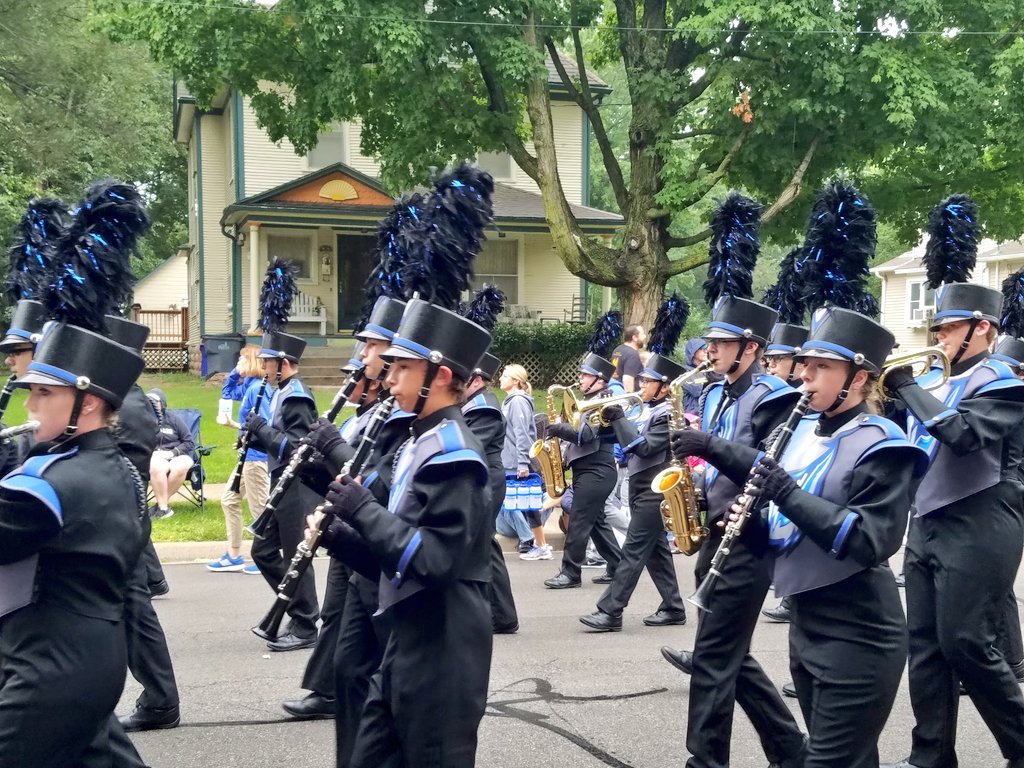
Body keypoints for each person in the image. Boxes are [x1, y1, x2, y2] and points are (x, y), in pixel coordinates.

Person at [729, 307, 927, 767]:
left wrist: (786, 492)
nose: (805, 376)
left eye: (822, 367)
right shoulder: (797, 433)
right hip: (807, 621)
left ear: (858, 378)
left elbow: (869, 540)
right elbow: (785, 533)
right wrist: (749, 524)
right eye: (805, 365)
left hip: (859, 631)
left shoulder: (885, 444)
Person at [314, 297, 494, 767]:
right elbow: (397, 561)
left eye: (402, 368)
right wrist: (341, 538)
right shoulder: (420, 441)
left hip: (443, 646)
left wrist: (364, 509)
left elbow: (435, 562)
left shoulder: (456, 455)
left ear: (441, 376)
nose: (388, 379)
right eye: (389, 366)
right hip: (405, 638)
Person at [881, 282, 1024, 768]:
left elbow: (964, 435)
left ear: (981, 328)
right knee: (923, 647)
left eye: (949, 328)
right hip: (928, 520)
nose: (938, 336)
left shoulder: (1004, 379)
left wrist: (907, 388)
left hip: (982, 517)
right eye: (937, 328)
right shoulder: (936, 383)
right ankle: (931, 756)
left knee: (966, 641)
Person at [662, 295, 807, 768]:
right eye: (711, 342)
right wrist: (696, 492)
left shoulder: (774, 396)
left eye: (722, 343)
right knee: (728, 655)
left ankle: (704, 761)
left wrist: (709, 444)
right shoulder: (716, 392)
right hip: (718, 530)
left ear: (750, 347)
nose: (711, 350)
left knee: (712, 657)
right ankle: (790, 750)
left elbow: (772, 466)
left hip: (751, 537)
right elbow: (715, 465)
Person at [0, 319, 148, 767]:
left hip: (47, 664)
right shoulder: (118, 470)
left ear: (88, 403)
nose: (29, 404)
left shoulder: (50, 483)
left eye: (45, 393)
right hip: (92, 658)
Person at [106, 316, 182, 735]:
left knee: (136, 613)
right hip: (120, 523)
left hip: (120, 524)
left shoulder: (129, 406)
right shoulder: (120, 399)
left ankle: (161, 700)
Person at [579, 349, 687, 632]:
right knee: (656, 552)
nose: (641, 386)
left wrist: (619, 418)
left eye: (647, 382)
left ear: (665, 387)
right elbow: (620, 435)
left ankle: (611, 610)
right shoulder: (648, 409)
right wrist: (607, 420)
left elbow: (646, 446)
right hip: (640, 485)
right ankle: (673, 607)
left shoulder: (668, 415)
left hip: (656, 489)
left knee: (633, 550)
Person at [245, 326, 321, 652]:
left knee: (295, 556)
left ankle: (305, 623)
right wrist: (255, 435)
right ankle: (293, 607)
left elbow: (298, 449)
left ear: (283, 363)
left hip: (298, 485)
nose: (263, 369)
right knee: (261, 550)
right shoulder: (282, 391)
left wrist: (261, 431)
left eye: (267, 363)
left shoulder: (297, 397)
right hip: (283, 483)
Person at [543, 341, 623, 589]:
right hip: (589, 470)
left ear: (600, 380)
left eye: (585, 375)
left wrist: (559, 429)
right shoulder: (590, 400)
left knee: (578, 520)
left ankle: (570, 573)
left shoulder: (604, 402)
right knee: (596, 522)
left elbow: (587, 435)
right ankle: (618, 566)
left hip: (597, 470)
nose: (580, 378)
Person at [463, 351, 519, 634]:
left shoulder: (483, 407)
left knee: (485, 544)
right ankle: (493, 611)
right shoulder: (475, 403)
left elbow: (471, 447)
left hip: (488, 479)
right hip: (484, 477)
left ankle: (503, 615)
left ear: (476, 380)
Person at [759, 321, 808, 624]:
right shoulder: (780, 394)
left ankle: (793, 598)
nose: (771, 365)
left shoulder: (807, 394)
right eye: (770, 359)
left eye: (778, 359)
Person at [209, 345, 270, 573]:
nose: (238, 364)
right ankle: (234, 554)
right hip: (247, 456)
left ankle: (265, 556)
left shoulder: (258, 390)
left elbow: (264, 425)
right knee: (229, 499)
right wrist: (235, 373)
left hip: (256, 457)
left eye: (242, 360)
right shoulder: (249, 386)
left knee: (260, 508)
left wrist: (235, 426)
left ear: (252, 362)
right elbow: (227, 393)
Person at [499, 363, 547, 558]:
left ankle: (532, 541)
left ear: (516, 381)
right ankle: (535, 542)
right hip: (509, 459)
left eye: (504, 375)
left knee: (519, 501)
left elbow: (522, 435)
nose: (500, 378)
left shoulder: (518, 401)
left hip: (515, 461)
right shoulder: (512, 400)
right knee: (520, 502)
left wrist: (522, 463)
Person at [146, 388, 195, 520]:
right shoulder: (144, 421)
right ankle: (163, 509)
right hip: (155, 456)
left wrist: (173, 453)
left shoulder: (174, 419)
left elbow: (189, 442)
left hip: (177, 454)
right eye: (149, 401)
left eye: (155, 402)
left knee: (180, 466)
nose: (152, 404)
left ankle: (161, 505)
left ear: (162, 403)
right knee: (157, 467)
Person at [611, 324, 646, 392]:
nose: (644, 337)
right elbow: (628, 379)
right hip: (625, 396)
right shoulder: (632, 354)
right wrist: (630, 399)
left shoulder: (617, 350)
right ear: (634, 338)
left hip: (615, 391)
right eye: (642, 334)